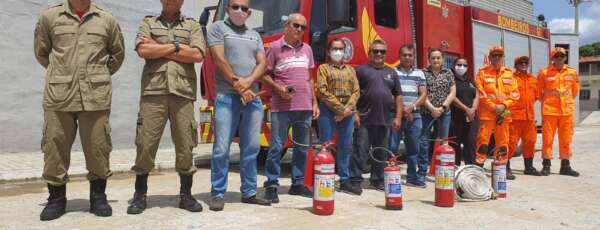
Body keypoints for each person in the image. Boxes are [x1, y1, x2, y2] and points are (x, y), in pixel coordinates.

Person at [34, 0, 125, 220]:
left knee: (98, 147)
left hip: (95, 96)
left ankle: (98, 198)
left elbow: (117, 54)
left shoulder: (106, 19)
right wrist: (63, 73)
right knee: (54, 146)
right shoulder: (50, 17)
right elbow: (42, 52)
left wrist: (96, 76)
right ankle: (56, 199)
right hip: (59, 95)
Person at [127, 0, 205, 214]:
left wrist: (159, 47)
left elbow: (197, 55)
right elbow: (143, 50)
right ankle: (139, 195)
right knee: (145, 142)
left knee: (185, 143)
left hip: (183, 92)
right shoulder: (148, 22)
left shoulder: (193, 25)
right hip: (153, 92)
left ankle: (186, 195)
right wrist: (179, 47)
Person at [205, 0, 271, 211]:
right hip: (227, 96)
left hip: (252, 98)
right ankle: (217, 193)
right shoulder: (217, 28)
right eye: (235, 7)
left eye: (244, 8)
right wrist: (240, 86)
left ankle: (249, 192)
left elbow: (263, 63)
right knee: (221, 148)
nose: (239, 11)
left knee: (251, 148)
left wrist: (248, 82)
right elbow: (219, 59)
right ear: (227, 9)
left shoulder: (255, 35)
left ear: (249, 12)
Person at [261, 13, 320, 202]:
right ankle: (271, 185)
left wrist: (314, 102)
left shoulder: (308, 49)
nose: (300, 30)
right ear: (286, 26)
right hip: (282, 107)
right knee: (276, 147)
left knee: (302, 148)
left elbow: (310, 78)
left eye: (303, 27)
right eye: (296, 25)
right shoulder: (275, 48)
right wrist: (279, 88)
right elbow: (264, 74)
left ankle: (298, 184)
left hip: (304, 107)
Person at [351, 39, 403, 192]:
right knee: (360, 152)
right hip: (364, 119)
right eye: (375, 51)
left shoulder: (392, 72)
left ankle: (377, 180)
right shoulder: (361, 70)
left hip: (385, 120)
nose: (379, 54)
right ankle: (355, 180)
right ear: (370, 53)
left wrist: (398, 117)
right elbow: (353, 94)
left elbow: (398, 96)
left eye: (382, 51)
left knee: (381, 153)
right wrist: (355, 113)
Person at [316, 39, 360, 195]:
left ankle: (344, 180)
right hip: (328, 111)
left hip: (348, 112)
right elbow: (322, 91)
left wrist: (347, 109)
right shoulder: (323, 68)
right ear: (328, 51)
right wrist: (340, 109)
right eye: (334, 48)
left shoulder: (351, 70)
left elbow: (356, 91)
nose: (337, 51)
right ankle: (322, 178)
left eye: (340, 48)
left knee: (345, 146)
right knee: (325, 145)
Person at [537, 47, 580, 177]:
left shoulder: (572, 72)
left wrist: (566, 102)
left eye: (562, 56)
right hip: (550, 111)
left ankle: (565, 166)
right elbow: (539, 93)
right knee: (547, 140)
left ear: (565, 57)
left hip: (566, 112)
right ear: (552, 58)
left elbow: (575, 91)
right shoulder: (544, 73)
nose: (559, 58)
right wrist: (548, 103)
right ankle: (546, 165)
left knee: (566, 140)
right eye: (556, 56)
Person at [389, 44, 427, 188]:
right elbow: (390, 93)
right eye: (404, 55)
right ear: (399, 56)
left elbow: (423, 94)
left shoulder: (419, 74)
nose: (407, 57)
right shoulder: (392, 72)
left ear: (413, 57)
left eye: (410, 55)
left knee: (413, 149)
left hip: (415, 116)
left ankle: (412, 177)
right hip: (396, 115)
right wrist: (402, 110)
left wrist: (411, 108)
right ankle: (391, 176)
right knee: (392, 147)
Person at [474, 47, 519, 166]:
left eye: (500, 55)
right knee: (483, 141)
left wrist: (504, 106)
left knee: (503, 141)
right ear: (489, 58)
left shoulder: (510, 74)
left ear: (503, 58)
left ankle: (501, 167)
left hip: (505, 112)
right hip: (487, 112)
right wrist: (494, 107)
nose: (497, 58)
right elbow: (480, 93)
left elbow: (515, 95)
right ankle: (479, 166)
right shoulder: (482, 73)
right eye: (494, 56)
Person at [420, 48, 455, 184]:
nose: (436, 60)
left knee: (442, 142)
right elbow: (422, 93)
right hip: (426, 112)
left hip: (444, 113)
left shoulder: (448, 73)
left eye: (438, 58)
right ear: (429, 59)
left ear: (443, 59)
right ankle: (422, 172)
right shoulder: (423, 73)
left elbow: (452, 92)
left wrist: (443, 107)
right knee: (423, 142)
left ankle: (440, 171)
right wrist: (432, 108)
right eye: (433, 58)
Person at [507, 56, 541, 178]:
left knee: (530, 143)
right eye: (520, 62)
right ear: (515, 65)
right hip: (514, 118)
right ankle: (506, 167)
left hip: (529, 118)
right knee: (511, 143)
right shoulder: (511, 79)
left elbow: (536, 96)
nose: (523, 64)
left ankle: (529, 167)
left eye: (525, 62)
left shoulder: (533, 79)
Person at [449, 57, 479, 166]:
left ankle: (470, 168)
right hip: (455, 118)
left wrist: (473, 110)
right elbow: (452, 97)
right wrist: (466, 109)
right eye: (459, 64)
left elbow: (477, 95)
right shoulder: (450, 80)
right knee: (455, 144)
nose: (461, 67)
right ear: (453, 66)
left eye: (464, 65)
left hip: (471, 117)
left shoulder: (470, 80)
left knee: (470, 143)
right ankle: (455, 168)